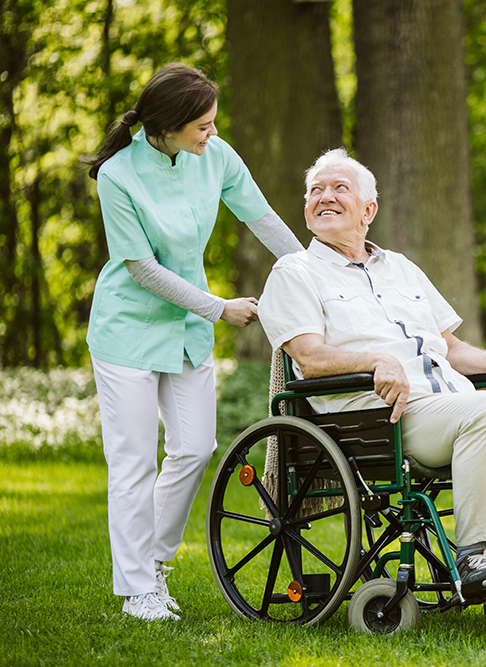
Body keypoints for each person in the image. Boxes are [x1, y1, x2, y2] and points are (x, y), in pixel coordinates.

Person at [257, 148, 486, 600]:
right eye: (315, 190)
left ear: (368, 210)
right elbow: (309, 356)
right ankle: (474, 554)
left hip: (446, 403)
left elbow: (449, 346)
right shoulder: (294, 272)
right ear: (306, 208)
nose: (324, 197)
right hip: (375, 417)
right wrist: (373, 360)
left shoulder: (401, 268)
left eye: (339, 189)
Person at [83, 63, 304, 621]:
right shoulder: (118, 174)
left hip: (186, 332)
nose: (212, 133)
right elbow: (141, 269)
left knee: (195, 448)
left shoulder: (216, 156)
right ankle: (138, 590)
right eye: (201, 125)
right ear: (168, 123)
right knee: (133, 462)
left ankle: (152, 564)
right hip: (127, 332)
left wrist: (317, 271)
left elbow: (262, 217)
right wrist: (219, 308)